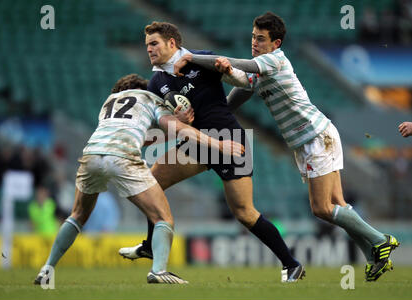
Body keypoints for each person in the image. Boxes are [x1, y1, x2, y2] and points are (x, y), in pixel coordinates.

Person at [173, 12, 400, 282]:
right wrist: (214, 109)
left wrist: (193, 57)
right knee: (338, 204)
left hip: (316, 137)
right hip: (310, 139)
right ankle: (374, 255)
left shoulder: (274, 60)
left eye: (261, 39)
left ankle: (379, 239)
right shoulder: (261, 69)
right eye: (253, 37)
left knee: (322, 209)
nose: (254, 43)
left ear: (276, 43)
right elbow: (242, 86)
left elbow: (242, 65)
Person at [118, 21, 305, 283]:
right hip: (196, 143)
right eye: (147, 44)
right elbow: (166, 126)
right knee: (153, 182)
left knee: (245, 213)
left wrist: (227, 68)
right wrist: (170, 125)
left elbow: (243, 80)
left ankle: (291, 264)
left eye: (154, 43)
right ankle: (151, 246)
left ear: (172, 43)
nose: (149, 49)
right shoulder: (156, 82)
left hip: (229, 139)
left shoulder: (202, 59)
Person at [33, 74, 244, 285]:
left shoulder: (109, 103)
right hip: (123, 156)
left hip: (92, 154)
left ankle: (47, 269)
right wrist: (218, 144)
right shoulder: (151, 99)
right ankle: (158, 271)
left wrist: (173, 127)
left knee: (77, 215)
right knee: (163, 217)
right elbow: (176, 129)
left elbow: (141, 135)